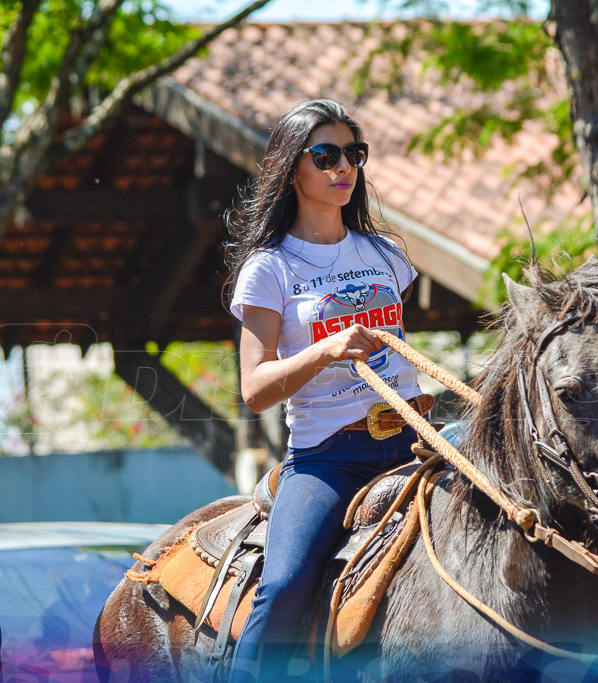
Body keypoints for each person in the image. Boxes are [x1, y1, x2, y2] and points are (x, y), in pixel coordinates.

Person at [225, 99, 427, 681]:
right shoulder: (269, 268)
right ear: (293, 169)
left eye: (353, 155)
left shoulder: (386, 254)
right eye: (326, 155)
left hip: (415, 444)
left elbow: (397, 355)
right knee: (284, 585)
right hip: (329, 459)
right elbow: (255, 390)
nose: (344, 167)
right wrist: (326, 350)